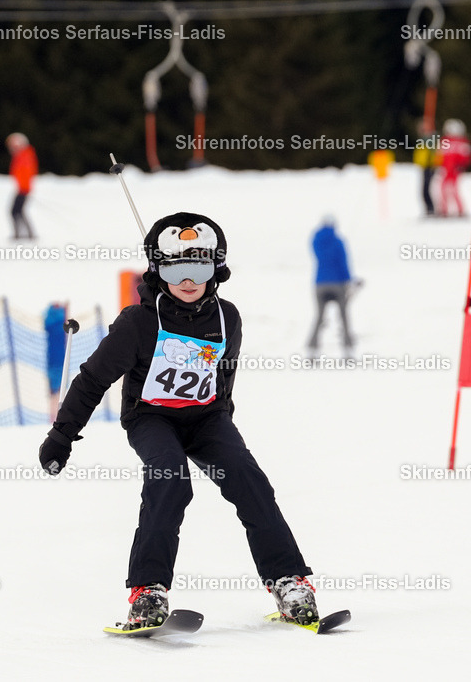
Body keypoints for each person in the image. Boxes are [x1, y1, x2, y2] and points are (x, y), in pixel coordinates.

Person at [38, 212, 318, 630]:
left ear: (216, 268)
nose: (189, 280)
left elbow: (224, 377)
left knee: (248, 479)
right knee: (170, 480)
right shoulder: (139, 322)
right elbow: (93, 379)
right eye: (176, 268)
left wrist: (223, 429)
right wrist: (62, 436)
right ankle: (147, 590)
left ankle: (288, 582)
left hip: (207, 419)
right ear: (158, 268)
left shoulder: (228, 318)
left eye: (200, 268)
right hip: (152, 419)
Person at [307, 219, 355, 355]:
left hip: (320, 283)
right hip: (337, 284)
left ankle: (312, 348)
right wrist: (349, 280)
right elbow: (343, 262)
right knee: (343, 316)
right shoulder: (338, 241)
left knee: (319, 317)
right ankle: (348, 348)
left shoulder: (315, 241)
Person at [7, 132, 37, 240]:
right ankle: (27, 234)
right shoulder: (22, 156)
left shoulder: (24, 156)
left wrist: (24, 188)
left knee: (15, 211)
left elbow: (26, 174)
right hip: (22, 188)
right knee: (18, 211)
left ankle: (22, 235)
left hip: (23, 189)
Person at [439, 118, 471, 217]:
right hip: (446, 170)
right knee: (443, 189)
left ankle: (460, 210)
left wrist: (462, 165)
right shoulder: (445, 141)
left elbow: (466, 156)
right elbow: (440, 155)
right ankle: (444, 210)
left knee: (454, 190)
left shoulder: (463, 142)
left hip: (455, 170)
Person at [43, 303, 67, 423]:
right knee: (57, 391)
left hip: (53, 360)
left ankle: (54, 416)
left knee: (55, 392)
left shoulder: (49, 320)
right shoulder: (58, 321)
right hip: (57, 360)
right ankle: (55, 416)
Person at [413, 121, 440, 216]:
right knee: (424, 189)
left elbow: (435, 152)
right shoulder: (423, 139)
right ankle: (429, 208)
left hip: (430, 167)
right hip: (425, 167)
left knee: (428, 189)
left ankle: (432, 208)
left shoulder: (431, 139)